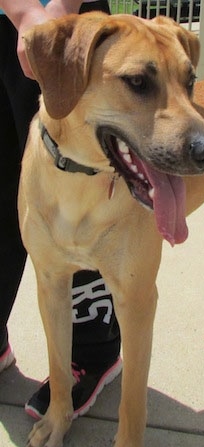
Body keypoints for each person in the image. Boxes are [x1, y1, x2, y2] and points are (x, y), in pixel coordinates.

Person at [0, 0, 122, 419]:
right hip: (12, 24)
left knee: (80, 200)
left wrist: (55, 13)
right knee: (9, 200)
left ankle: (92, 351)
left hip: (71, 31)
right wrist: (20, 13)